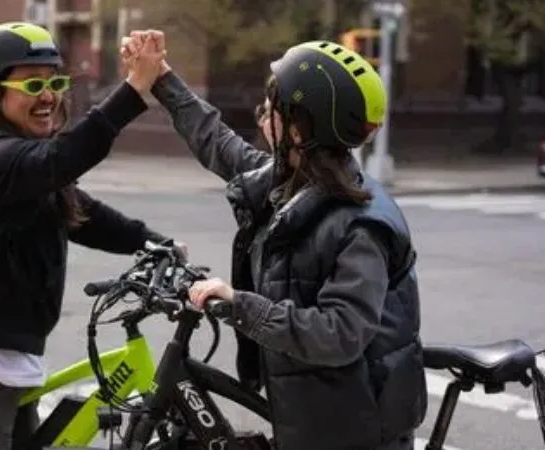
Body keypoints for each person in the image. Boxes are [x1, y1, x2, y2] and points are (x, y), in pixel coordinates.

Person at [121, 32, 428, 450]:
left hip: (354, 428)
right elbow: (216, 141)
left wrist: (240, 305)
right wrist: (161, 78)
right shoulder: (288, 181)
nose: (263, 113)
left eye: (274, 106)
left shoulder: (361, 226)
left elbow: (340, 333)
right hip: (312, 413)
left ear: (300, 130)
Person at [0, 22, 181, 450]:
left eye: (55, 83)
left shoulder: (26, 164)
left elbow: (84, 215)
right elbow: (67, 156)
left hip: (15, 357)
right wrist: (133, 90)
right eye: (33, 85)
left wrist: (154, 243)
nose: (48, 96)